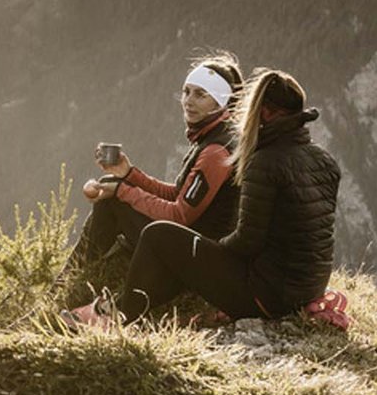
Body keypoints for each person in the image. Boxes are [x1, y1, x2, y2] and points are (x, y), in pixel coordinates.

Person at [91, 67, 342, 327]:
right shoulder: (325, 160)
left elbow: (247, 242)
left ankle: (117, 317)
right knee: (176, 244)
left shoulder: (263, 162)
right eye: (186, 93)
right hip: (308, 291)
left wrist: (207, 256)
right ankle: (123, 307)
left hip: (268, 297)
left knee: (159, 234)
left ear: (264, 112)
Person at [63, 53, 244, 314]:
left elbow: (179, 214)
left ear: (220, 102)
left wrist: (122, 190)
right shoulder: (211, 138)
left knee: (112, 198)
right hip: (190, 241)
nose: (188, 102)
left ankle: (72, 278)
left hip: (194, 252)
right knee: (111, 185)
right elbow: (176, 194)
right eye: (186, 92)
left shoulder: (215, 152)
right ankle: (80, 273)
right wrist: (128, 174)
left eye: (200, 95)